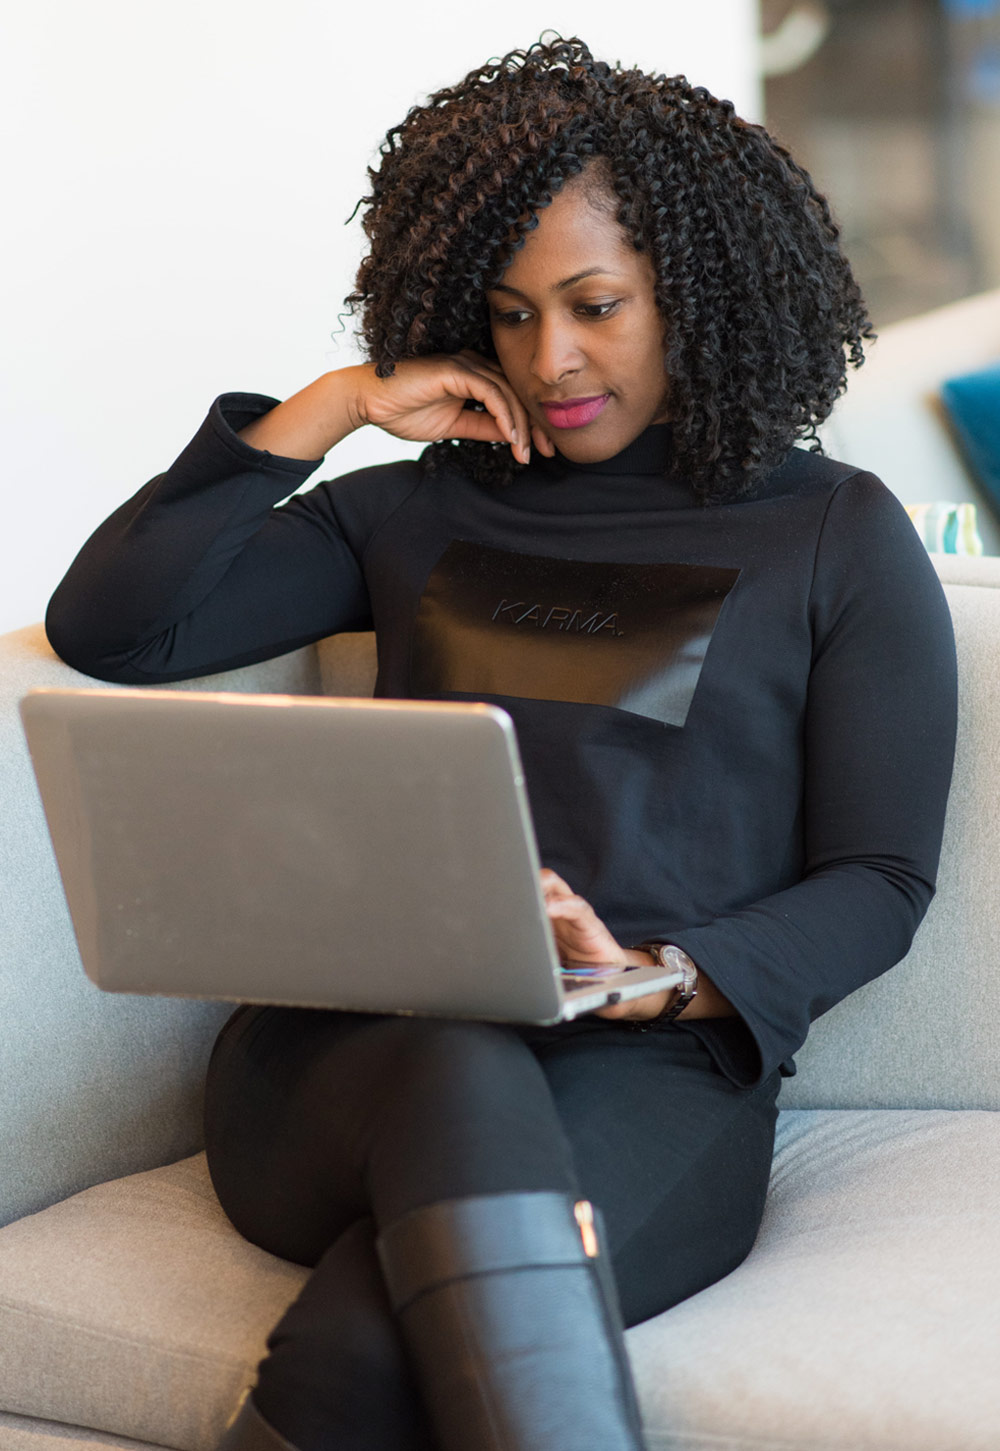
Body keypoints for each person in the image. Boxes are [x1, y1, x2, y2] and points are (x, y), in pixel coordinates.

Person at [46, 35, 958, 1451]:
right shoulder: (421, 508)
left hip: (644, 1072)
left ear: (697, 294)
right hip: (343, 1063)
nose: (552, 358)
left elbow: (881, 877)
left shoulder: (831, 534)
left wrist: (658, 980)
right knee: (460, 1065)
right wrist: (335, 408)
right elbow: (118, 628)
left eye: (597, 304)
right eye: (510, 312)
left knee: (380, 1328)